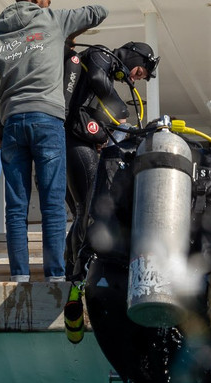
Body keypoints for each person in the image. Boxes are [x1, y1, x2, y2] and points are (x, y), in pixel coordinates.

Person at [0, 0, 107, 282]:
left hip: (11, 124)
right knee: (52, 203)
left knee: (16, 207)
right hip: (47, 120)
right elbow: (99, 11)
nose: (49, 4)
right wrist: (68, 30)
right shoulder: (53, 19)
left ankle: (19, 277)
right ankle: (55, 276)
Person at [63, 41, 159, 279]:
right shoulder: (100, 55)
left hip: (76, 142)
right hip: (74, 143)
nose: (134, 79)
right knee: (88, 209)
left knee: (82, 213)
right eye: (138, 73)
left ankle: (72, 269)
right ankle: (76, 274)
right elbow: (96, 78)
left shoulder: (105, 68)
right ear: (133, 57)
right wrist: (121, 112)